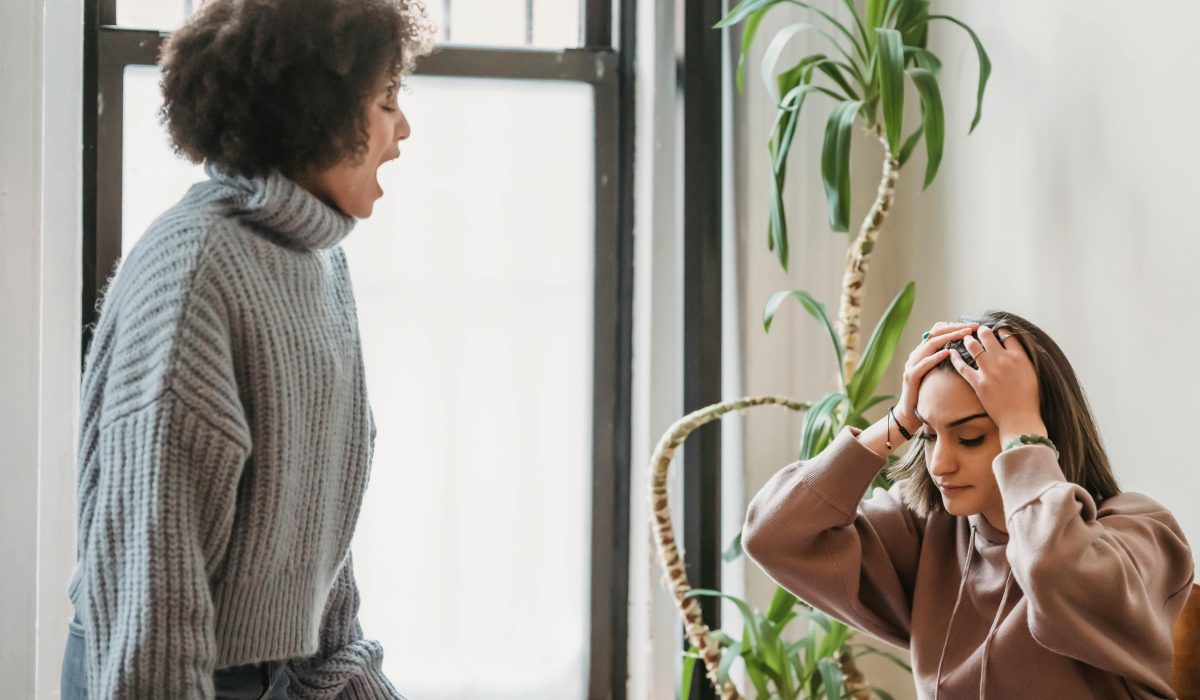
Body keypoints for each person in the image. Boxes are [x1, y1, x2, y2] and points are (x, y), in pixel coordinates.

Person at [62, 0, 435, 697]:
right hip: (166, 671)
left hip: (262, 671)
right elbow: (152, 598)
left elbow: (304, 535)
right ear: (315, 112)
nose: (403, 129)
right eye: (386, 102)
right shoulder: (195, 273)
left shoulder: (316, 258)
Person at [742, 311, 1195, 698]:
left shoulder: (1141, 534)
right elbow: (774, 534)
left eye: (971, 437)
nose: (939, 464)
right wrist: (898, 421)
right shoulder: (928, 534)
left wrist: (1020, 424)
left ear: (1039, 432)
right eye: (929, 435)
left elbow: (1052, 571)